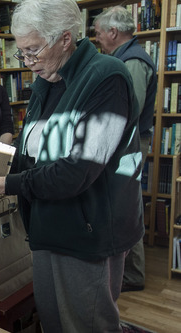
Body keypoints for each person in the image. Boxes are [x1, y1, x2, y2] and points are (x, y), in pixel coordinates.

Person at [0, 0, 144, 331]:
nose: (27, 62)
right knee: (52, 322)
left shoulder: (107, 77)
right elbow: (27, 151)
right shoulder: (47, 80)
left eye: (33, 50)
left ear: (65, 39)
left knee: (86, 324)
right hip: (46, 225)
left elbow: (76, 171)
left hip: (87, 233)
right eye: (22, 52)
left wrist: (0, 185)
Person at [94, 6, 157, 293]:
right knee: (126, 202)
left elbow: (131, 109)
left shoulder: (131, 61)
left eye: (98, 33)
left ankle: (132, 274)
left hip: (130, 143)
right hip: (130, 141)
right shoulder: (129, 57)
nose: (96, 39)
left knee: (126, 204)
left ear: (113, 32)